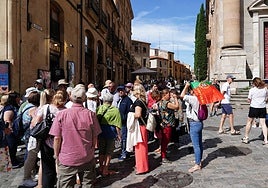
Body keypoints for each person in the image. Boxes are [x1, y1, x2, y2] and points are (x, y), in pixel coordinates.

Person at [50, 84, 101, 187]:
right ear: (84, 99)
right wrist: (92, 149)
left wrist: (56, 155)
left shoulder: (62, 115)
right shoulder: (90, 115)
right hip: (86, 156)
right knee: (88, 184)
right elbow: (95, 136)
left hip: (67, 158)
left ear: (70, 97)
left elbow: (57, 138)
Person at [34, 90, 67, 188]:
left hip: (46, 141)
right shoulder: (66, 111)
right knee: (62, 167)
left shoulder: (45, 108)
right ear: (65, 99)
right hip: (62, 142)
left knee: (47, 168)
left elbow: (36, 123)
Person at [96, 92, 122, 176]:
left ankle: (100, 167)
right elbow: (117, 125)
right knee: (109, 152)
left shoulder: (99, 108)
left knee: (101, 151)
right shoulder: (115, 110)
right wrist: (119, 135)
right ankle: (105, 169)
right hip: (110, 131)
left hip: (100, 131)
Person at [180, 82, 203, 173]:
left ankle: (197, 164)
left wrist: (186, 86)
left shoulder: (193, 98)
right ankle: (199, 160)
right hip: (199, 123)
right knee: (199, 144)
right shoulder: (200, 98)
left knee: (196, 145)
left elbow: (182, 96)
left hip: (194, 124)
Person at [21, 91, 40, 187]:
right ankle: (27, 178)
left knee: (30, 155)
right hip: (31, 135)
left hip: (27, 134)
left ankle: (29, 176)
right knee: (31, 156)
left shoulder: (25, 106)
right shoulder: (33, 109)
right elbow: (35, 123)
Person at [129, 83, 149, 175]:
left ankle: (141, 168)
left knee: (140, 147)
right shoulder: (143, 101)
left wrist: (130, 114)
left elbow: (138, 114)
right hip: (143, 126)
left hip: (140, 127)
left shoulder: (138, 102)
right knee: (143, 147)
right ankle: (143, 166)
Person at [242, 77, 268, 144]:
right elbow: (266, 98)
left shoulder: (252, 90)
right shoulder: (265, 89)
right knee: (263, 124)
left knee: (249, 122)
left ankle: (246, 137)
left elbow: (249, 99)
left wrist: (249, 101)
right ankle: (266, 139)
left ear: (254, 83)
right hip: (262, 107)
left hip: (254, 107)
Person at [158, 88, 180, 163]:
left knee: (164, 140)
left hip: (163, 123)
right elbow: (177, 107)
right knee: (166, 140)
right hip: (167, 124)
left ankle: (163, 154)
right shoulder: (167, 103)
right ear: (165, 94)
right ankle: (163, 157)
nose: (170, 96)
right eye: (168, 94)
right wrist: (176, 98)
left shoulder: (160, 102)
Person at [117, 86, 133, 160]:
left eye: (121, 90)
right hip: (121, 122)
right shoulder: (121, 100)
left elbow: (130, 111)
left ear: (124, 91)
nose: (120, 92)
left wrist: (124, 118)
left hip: (125, 122)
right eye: (119, 91)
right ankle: (125, 152)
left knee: (124, 138)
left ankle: (125, 153)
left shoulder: (127, 100)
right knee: (123, 137)